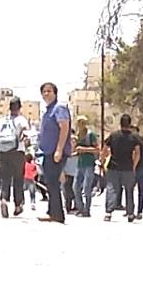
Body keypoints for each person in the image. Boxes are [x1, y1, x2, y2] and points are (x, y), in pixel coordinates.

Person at [37, 83, 72, 222]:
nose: (46, 94)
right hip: (47, 152)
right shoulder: (47, 111)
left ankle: (57, 214)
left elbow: (64, 127)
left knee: (52, 182)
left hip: (55, 152)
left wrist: (59, 149)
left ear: (55, 93)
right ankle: (52, 211)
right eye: (44, 91)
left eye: (49, 91)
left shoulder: (59, 108)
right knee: (50, 182)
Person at [103, 114, 141, 222]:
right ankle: (130, 213)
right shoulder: (134, 137)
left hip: (113, 166)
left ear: (120, 123)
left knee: (111, 188)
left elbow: (105, 149)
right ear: (129, 124)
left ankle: (108, 212)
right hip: (128, 167)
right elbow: (137, 153)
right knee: (129, 191)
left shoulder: (113, 135)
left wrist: (103, 161)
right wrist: (134, 166)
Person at [71, 116, 99, 217]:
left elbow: (97, 149)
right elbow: (78, 151)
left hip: (89, 164)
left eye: (82, 122)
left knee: (87, 188)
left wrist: (84, 149)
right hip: (80, 164)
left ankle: (87, 210)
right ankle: (80, 208)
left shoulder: (90, 135)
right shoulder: (78, 135)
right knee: (75, 187)